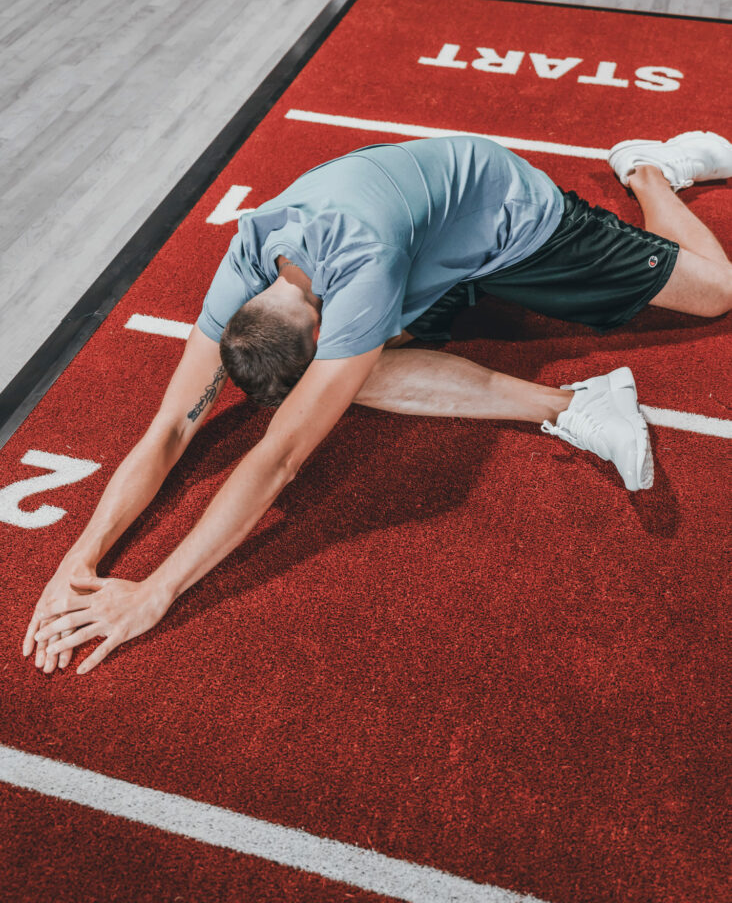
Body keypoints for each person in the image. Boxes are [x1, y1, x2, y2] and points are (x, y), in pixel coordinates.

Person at [25, 131, 732, 675]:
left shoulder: (363, 274)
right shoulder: (242, 272)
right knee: (346, 377)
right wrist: (79, 559)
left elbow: (277, 460)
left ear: (327, 329)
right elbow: (167, 434)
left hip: (506, 215)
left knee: (715, 294)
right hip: (417, 235)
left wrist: (157, 590)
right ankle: (574, 402)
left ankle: (649, 171)